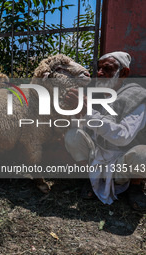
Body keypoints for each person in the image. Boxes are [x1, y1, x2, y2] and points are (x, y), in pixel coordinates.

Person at [64, 51, 146, 210]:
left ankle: (135, 186)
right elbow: (84, 127)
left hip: (122, 161)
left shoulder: (137, 96)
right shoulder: (95, 93)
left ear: (123, 73)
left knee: (142, 154)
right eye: (98, 68)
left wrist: (89, 112)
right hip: (98, 155)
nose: (100, 73)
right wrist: (74, 112)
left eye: (107, 69)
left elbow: (123, 136)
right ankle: (90, 179)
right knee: (72, 136)